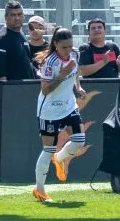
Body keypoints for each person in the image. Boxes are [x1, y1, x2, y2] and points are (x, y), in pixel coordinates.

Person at [32, 27, 87, 202]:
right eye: (64, 47)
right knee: (48, 149)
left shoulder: (75, 55)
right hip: (50, 109)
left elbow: (75, 72)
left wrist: (78, 87)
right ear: (55, 45)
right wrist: (62, 75)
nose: (68, 50)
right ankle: (39, 189)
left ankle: (60, 158)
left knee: (80, 141)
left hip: (69, 106)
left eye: (70, 46)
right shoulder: (50, 62)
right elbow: (46, 90)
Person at [0, 0, 35, 85]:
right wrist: (6, 94)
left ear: (24, 16)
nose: (17, 18)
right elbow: (0, 72)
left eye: (19, 14)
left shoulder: (21, 34)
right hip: (12, 92)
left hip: (26, 89)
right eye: (13, 15)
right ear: (6, 17)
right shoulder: (2, 38)